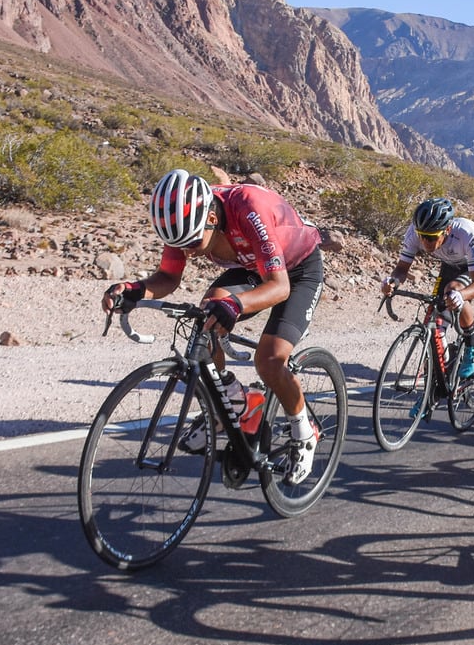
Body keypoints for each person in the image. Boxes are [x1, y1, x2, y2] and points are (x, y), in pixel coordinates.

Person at [102, 168, 325, 485]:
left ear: (211, 218)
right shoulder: (184, 224)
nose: (188, 251)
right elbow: (168, 278)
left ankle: (304, 432)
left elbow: (279, 287)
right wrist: (133, 290)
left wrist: (235, 305)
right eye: (179, 244)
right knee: (207, 316)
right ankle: (233, 400)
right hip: (251, 266)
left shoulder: (248, 208)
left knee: (270, 359)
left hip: (297, 270)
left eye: (193, 242)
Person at [380, 197, 474, 384]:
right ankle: (438, 379)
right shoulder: (413, 232)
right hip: (450, 264)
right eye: (422, 235)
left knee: (453, 290)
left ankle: (472, 343)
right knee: (434, 316)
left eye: (432, 237)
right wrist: (393, 281)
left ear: (447, 230)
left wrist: (461, 295)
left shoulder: (467, 233)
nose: (425, 242)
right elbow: (402, 269)